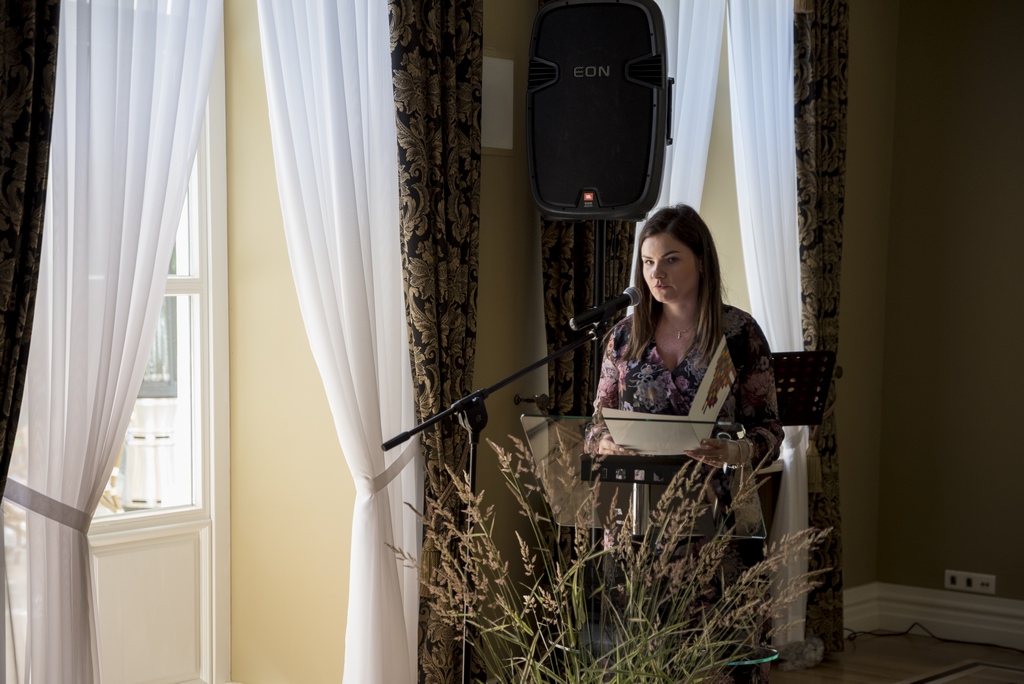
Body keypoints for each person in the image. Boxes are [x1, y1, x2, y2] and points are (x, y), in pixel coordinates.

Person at [588, 203, 784, 682]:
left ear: (701, 260)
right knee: (637, 660)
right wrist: (605, 443)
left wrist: (735, 450)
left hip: (716, 524)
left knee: (716, 659)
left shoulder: (739, 334)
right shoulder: (623, 337)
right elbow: (596, 424)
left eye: (671, 259)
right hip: (635, 525)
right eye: (648, 262)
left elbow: (769, 430)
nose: (657, 274)